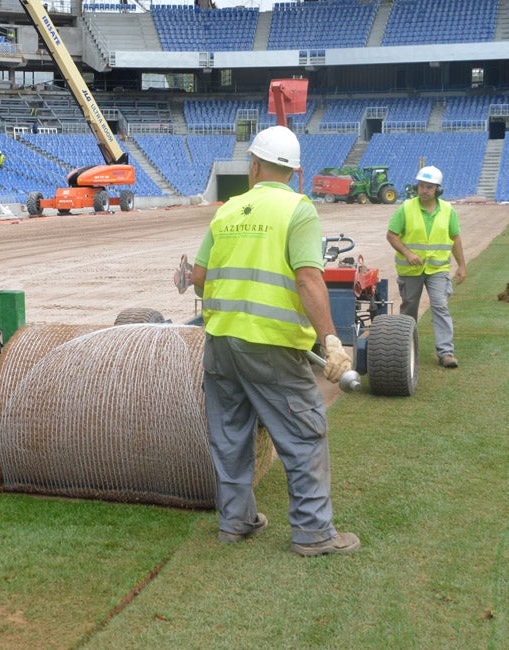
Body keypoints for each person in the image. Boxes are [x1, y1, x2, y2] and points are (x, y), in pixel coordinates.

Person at [191, 125, 360, 557]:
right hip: (273, 346)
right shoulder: (297, 210)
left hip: (221, 344)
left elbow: (198, 280)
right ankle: (313, 534)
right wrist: (330, 340)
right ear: (294, 171)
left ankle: (235, 523)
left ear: (254, 165)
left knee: (230, 436)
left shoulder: (227, 211)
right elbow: (308, 279)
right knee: (303, 435)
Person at [386, 165, 466, 368]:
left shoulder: (448, 210)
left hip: (437, 269)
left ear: (437, 189)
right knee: (409, 309)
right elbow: (391, 235)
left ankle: (446, 353)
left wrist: (461, 266)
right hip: (410, 270)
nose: (424, 190)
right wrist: (408, 253)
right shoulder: (405, 208)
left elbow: (455, 238)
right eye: (421, 186)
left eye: (429, 187)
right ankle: (405, 350)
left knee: (440, 306)